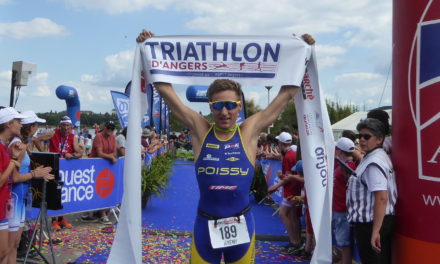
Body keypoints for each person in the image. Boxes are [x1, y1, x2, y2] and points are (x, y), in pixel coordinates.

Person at [137, 29, 315, 263]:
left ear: (239, 106)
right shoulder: (200, 130)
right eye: (218, 105)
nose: (224, 111)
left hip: (241, 227)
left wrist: (303, 52)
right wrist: (148, 49)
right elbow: (165, 89)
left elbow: (286, 94)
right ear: (210, 107)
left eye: (231, 105)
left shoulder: (248, 132)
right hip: (204, 227)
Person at [347, 118, 397, 264]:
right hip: (376, 222)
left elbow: (381, 197)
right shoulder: (374, 157)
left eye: (367, 136)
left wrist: (376, 231)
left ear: (379, 139)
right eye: (359, 136)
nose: (361, 140)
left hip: (372, 224)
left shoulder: (374, 163)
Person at [7, 111, 54, 264]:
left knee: (14, 244)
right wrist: (35, 174)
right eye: (36, 125)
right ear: (30, 127)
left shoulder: (22, 143)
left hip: (19, 198)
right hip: (14, 198)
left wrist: (39, 173)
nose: (37, 128)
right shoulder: (16, 144)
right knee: (9, 246)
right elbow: (13, 177)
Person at [33, 115, 82, 231]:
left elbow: (79, 153)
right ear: (60, 126)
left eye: (68, 126)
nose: (65, 128)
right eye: (63, 125)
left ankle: (61, 219)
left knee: (63, 194)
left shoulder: (73, 137)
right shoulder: (53, 133)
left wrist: (73, 155)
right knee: (54, 193)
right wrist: (45, 155)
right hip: (54, 167)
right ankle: (54, 220)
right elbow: (36, 140)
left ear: (71, 127)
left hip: (66, 170)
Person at [267, 132, 302, 255]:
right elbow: (290, 174)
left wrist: (276, 186)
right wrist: (282, 176)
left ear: (281, 144)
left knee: (283, 214)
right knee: (293, 217)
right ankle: (297, 243)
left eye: (278, 143)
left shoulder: (288, 156)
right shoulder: (292, 154)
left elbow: (289, 177)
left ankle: (294, 241)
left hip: (291, 190)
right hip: (294, 189)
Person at [0, 107, 26, 264]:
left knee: (4, 251)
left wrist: (14, 158)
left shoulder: (4, 146)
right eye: (18, 122)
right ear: (9, 124)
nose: (21, 125)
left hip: (5, 204)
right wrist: (12, 163)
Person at [87, 121, 117, 224]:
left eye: (112, 128)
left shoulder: (113, 137)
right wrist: (111, 157)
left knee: (105, 188)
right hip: (95, 167)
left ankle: (100, 211)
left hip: (106, 167)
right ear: (105, 127)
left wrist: (111, 156)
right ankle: (100, 213)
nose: (110, 130)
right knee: (96, 189)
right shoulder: (98, 137)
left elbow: (115, 152)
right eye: (108, 127)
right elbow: (99, 153)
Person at [333, 137, 357, 264]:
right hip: (340, 207)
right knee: (343, 241)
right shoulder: (346, 164)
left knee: (344, 242)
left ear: (340, 151)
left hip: (342, 209)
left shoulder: (347, 166)